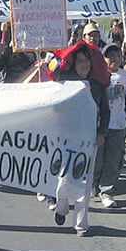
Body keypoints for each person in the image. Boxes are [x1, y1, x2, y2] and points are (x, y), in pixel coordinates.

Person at [50, 41, 110, 236]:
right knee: (64, 174)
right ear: (74, 64)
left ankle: (81, 224)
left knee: (84, 181)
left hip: (90, 140)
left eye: (87, 61)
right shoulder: (65, 83)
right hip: (67, 138)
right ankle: (62, 207)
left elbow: (105, 111)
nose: (84, 64)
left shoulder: (97, 86)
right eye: (80, 61)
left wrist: (101, 133)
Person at [96, 43, 126, 208]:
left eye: (118, 56)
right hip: (100, 125)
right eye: (111, 56)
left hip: (119, 124)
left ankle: (107, 190)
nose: (115, 59)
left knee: (113, 158)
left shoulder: (125, 76)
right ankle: (95, 184)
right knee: (97, 159)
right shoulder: (98, 76)